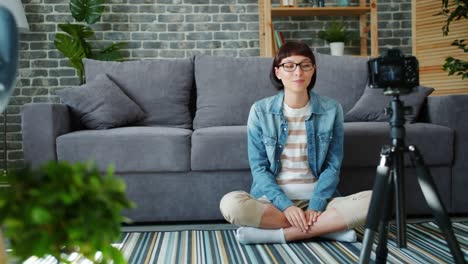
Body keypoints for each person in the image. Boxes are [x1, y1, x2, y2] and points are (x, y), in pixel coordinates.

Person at [219, 41, 372, 244]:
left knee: (376, 200)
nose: (298, 72)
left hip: (321, 203)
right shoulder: (260, 110)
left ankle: (277, 234)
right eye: (289, 65)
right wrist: (287, 206)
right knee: (231, 205)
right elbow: (259, 168)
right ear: (278, 72)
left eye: (305, 65)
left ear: (313, 70)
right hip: (272, 204)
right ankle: (327, 229)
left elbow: (333, 166)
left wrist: (316, 205)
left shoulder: (331, 109)